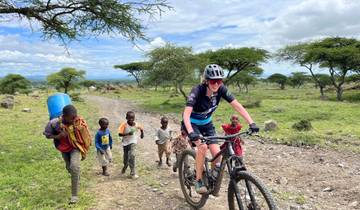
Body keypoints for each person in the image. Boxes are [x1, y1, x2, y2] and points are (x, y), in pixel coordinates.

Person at [182, 64, 259, 194]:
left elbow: (237, 106)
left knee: (217, 155)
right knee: (202, 147)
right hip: (192, 124)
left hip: (207, 124)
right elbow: (186, 114)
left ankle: (211, 180)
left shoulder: (221, 89)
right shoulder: (197, 90)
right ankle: (199, 180)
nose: (216, 84)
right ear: (206, 80)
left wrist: (251, 122)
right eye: (213, 81)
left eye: (219, 81)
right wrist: (191, 132)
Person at [43, 105, 92, 204]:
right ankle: (76, 176)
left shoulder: (78, 122)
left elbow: (85, 134)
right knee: (69, 167)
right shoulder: (54, 123)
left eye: (75, 117)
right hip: (64, 149)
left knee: (74, 167)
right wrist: (58, 136)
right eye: (71, 118)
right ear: (64, 116)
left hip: (76, 147)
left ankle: (74, 196)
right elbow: (47, 135)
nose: (74, 119)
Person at [118, 111, 144, 178]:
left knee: (132, 155)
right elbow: (119, 134)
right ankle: (125, 166)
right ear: (126, 118)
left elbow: (141, 128)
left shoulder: (136, 124)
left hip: (133, 141)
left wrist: (142, 134)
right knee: (126, 159)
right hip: (125, 143)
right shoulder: (124, 125)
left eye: (132, 118)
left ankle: (132, 172)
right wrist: (127, 134)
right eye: (129, 118)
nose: (131, 119)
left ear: (134, 118)